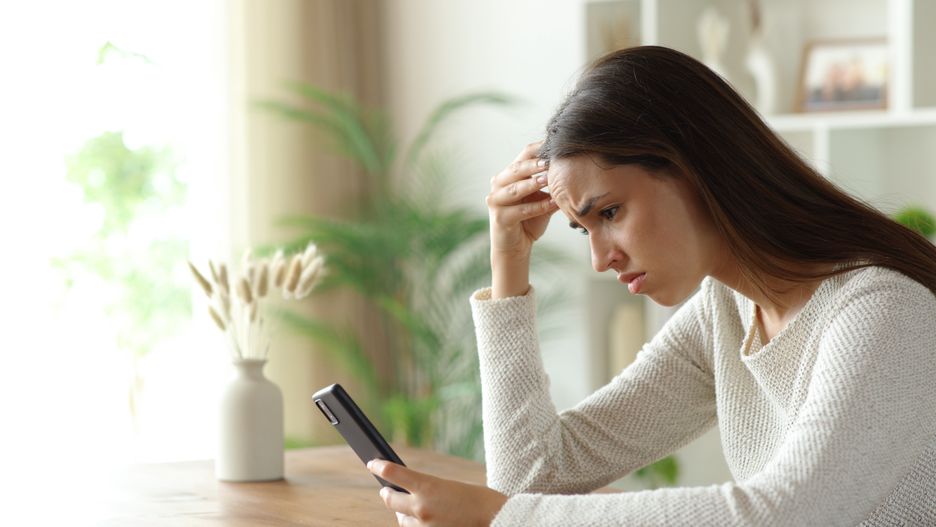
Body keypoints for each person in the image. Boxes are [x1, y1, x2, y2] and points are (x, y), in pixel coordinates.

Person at [367, 45, 936, 526]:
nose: (599, 258)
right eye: (582, 227)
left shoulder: (883, 310)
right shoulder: (729, 310)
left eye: (610, 211)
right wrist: (508, 263)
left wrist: (503, 517)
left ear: (696, 167)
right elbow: (534, 475)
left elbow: (783, 513)